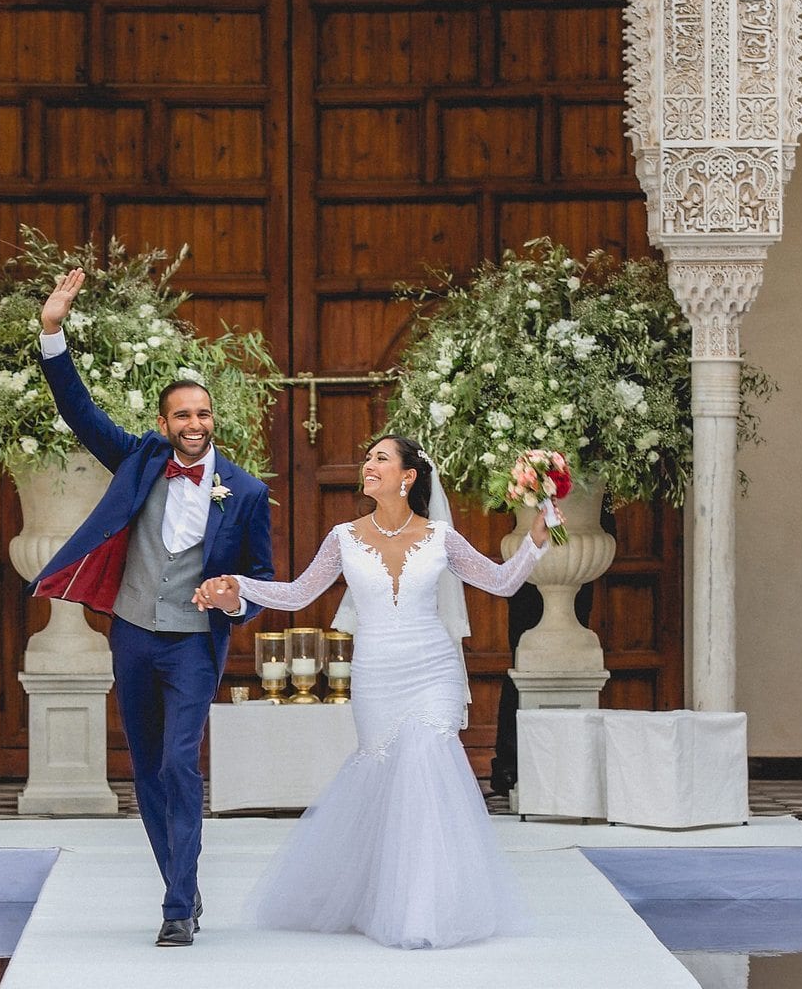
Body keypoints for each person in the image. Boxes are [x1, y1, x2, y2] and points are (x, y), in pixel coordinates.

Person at [194, 436, 556, 949]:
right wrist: (239, 584)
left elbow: (499, 583)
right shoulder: (343, 537)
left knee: (425, 761)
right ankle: (372, 895)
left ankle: (425, 911)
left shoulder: (441, 537)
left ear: (408, 477)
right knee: (386, 771)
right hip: (377, 675)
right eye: (367, 458)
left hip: (432, 670)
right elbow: (299, 593)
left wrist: (536, 539)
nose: (368, 465)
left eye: (380, 459)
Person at [30, 268, 274, 947]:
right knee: (143, 767)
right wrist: (53, 331)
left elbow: (259, 576)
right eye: (182, 415)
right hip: (134, 634)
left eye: (202, 414)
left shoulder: (246, 492)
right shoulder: (138, 460)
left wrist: (234, 596)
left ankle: (174, 907)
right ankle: (184, 884)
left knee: (178, 763)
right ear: (163, 423)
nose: (193, 424)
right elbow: (78, 411)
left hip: (195, 643)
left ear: (212, 420)